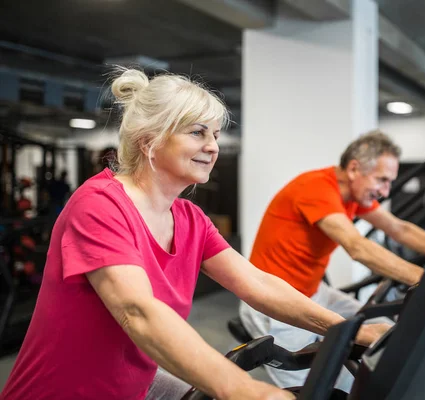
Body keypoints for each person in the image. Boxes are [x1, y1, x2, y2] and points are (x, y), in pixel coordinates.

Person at [0, 68, 390, 400]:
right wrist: (247, 390)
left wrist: (348, 330)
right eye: (199, 133)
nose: (213, 147)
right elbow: (138, 312)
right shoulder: (100, 204)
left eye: (216, 135)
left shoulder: (189, 219)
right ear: (150, 140)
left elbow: (256, 283)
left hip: (133, 383)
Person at [239, 130, 425, 391]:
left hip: (314, 293)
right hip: (273, 302)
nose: (386, 191)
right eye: (382, 180)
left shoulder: (354, 196)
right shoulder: (317, 188)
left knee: (385, 332)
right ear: (355, 168)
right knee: (309, 390)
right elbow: (358, 248)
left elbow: (399, 229)